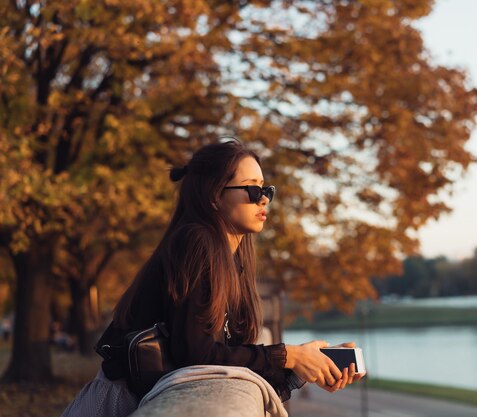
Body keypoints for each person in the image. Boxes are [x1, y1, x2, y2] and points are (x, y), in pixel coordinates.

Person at [61, 139, 362, 417]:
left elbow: (226, 357)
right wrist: (288, 355)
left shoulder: (232, 260)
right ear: (215, 196)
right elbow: (195, 353)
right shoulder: (195, 242)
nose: (264, 200)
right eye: (253, 190)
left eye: (266, 190)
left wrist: (305, 366)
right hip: (117, 403)